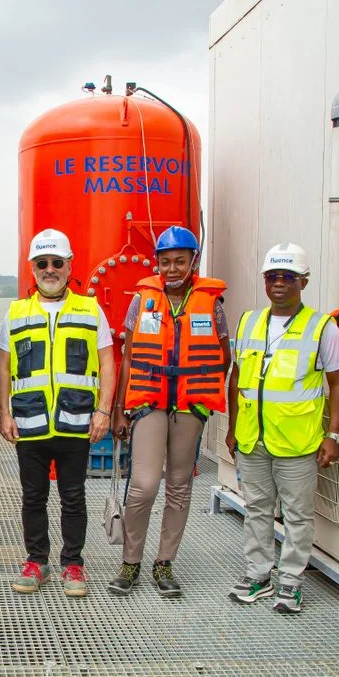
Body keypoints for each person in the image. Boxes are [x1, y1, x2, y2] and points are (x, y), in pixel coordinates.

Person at [225, 243, 339, 614]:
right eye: (273, 276)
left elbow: (338, 385)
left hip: (298, 442)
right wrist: (232, 428)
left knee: (297, 515)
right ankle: (259, 575)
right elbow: (237, 379)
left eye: (288, 277)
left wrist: (334, 436)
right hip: (252, 437)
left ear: (303, 281)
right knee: (258, 508)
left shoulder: (321, 327)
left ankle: (291, 582)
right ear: (265, 281)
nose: (279, 283)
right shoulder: (248, 321)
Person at [110, 226, 229, 598]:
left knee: (179, 486)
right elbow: (128, 356)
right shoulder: (141, 300)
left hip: (189, 405)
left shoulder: (212, 304)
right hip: (149, 401)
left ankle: (164, 563)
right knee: (144, 486)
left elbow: (223, 356)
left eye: (180, 260)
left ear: (193, 261)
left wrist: (203, 391)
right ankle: (131, 563)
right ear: (157, 263)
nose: (172, 268)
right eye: (166, 261)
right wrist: (119, 409)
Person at [0, 229, 114, 598]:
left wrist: (104, 411)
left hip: (76, 421)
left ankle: (73, 564)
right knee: (33, 497)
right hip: (30, 422)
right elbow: (2, 367)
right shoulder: (16, 312)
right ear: (32, 268)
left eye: (57, 263)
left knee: (73, 496)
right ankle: (36, 561)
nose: (50, 270)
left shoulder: (90, 309)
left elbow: (109, 363)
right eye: (42, 263)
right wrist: (4, 413)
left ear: (68, 266)